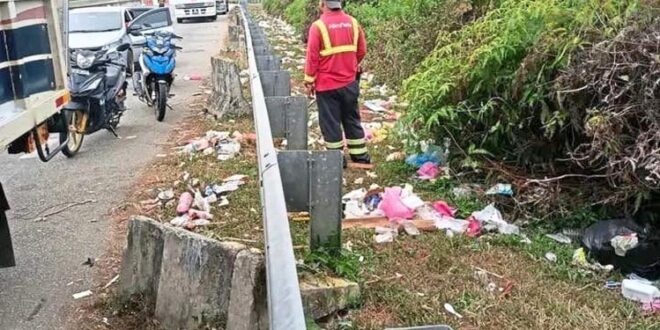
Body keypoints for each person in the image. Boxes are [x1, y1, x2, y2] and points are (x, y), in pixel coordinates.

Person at [303, 0, 370, 166]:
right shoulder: (353, 23)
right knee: (352, 118)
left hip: (327, 85)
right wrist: (350, 65)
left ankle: (337, 160)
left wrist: (309, 80)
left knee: (331, 122)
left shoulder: (318, 26)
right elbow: (362, 50)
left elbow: (312, 56)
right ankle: (360, 156)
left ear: (322, 4)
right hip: (349, 82)